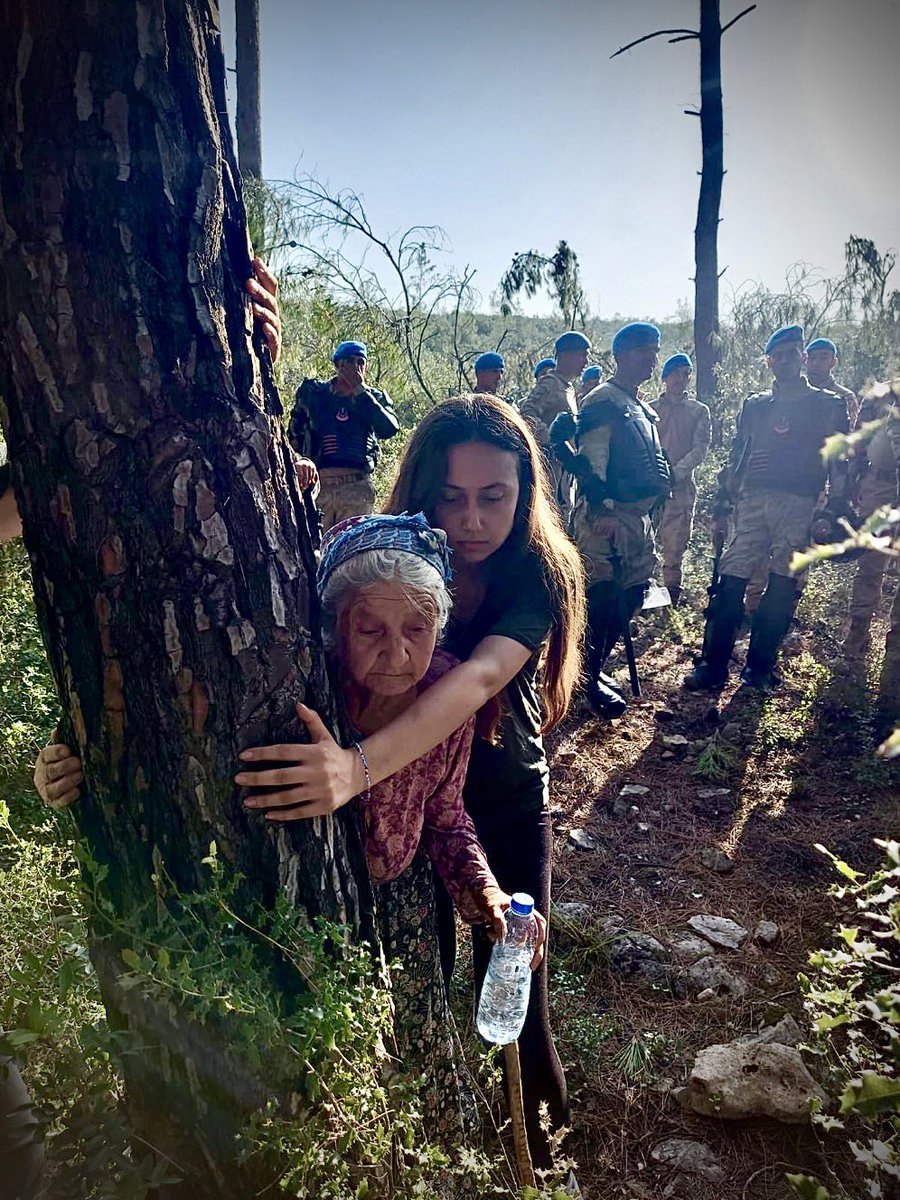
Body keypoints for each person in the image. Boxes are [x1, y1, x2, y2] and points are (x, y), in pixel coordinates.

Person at [35, 510, 550, 1141]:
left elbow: (445, 818)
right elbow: (155, 730)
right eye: (370, 628)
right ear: (335, 624)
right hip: (305, 910)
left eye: (418, 628)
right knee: (319, 1081)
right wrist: (69, 760)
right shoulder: (296, 688)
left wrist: (486, 894)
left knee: (415, 1061)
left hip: (405, 914)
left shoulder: (447, 691)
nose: (397, 653)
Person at [234, 395, 585, 1167]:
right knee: (422, 971)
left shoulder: (536, 572)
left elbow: (477, 679)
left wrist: (356, 769)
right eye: (451, 497)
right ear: (423, 492)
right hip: (408, 800)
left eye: (494, 497)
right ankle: (434, 1137)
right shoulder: (389, 554)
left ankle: (543, 1159)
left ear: (525, 493)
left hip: (497, 796)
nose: (472, 520)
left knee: (518, 988)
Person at [684, 325, 850, 693]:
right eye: (778, 356)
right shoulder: (756, 405)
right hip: (752, 502)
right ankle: (712, 666)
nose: (785, 361)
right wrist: (723, 504)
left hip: (800, 503)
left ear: (803, 357)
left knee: (782, 583)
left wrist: (833, 509)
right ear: (769, 362)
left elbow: (840, 464)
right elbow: (738, 455)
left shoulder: (828, 405)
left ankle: (758, 668)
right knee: (731, 576)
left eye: (792, 354)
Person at [550, 323, 671, 718]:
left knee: (632, 594)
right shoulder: (604, 400)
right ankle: (581, 677)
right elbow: (592, 461)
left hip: (637, 518)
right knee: (601, 599)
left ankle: (592, 667)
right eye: (641, 350)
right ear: (621, 356)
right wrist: (601, 512)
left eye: (653, 350)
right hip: (608, 516)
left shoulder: (641, 406)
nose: (650, 358)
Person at [288, 340, 400, 531]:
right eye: (350, 361)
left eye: (361, 362)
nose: (356, 367)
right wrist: (300, 462)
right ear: (339, 364)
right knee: (314, 541)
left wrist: (360, 391)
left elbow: (389, 429)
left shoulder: (374, 398)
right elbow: (293, 437)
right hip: (318, 485)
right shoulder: (314, 394)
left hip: (357, 487)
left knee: (352, 545)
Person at [843, 383, 900, 657]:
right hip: (881, 486)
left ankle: (896, 645)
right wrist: (853, 480)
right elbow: (859, 439)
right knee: (870, 562)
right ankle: (858, 631)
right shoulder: (881, 394)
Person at [653, 353, 711, 605]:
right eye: (675, 373)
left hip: (680, 488)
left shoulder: (698, 411)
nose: (681, 378)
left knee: (674, 546)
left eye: (686, 373)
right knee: (642, 543)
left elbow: (700, 449)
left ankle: (670, 602)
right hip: (649, 488)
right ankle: (641, 599)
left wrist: (676, 473)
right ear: (665, 377)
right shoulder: (650, 410)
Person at [518, 331, 591, 513]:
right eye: (582, 355)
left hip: (563, 472)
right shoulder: (550, 383)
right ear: (566, 355)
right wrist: (550, 438)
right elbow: (526, 413)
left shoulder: (567, 387)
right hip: (550, 469)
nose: (586, 362)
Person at [806, 337, 860, 426]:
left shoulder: (845, 396)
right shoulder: (797, 392)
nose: (816, 363)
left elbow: (852, 429)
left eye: (823, 358)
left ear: (833, 362)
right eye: (811, 358)